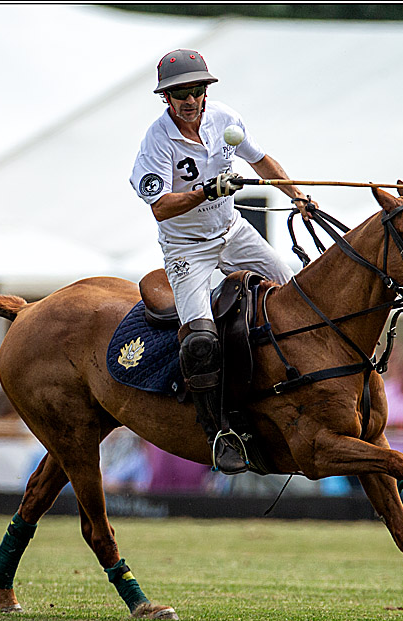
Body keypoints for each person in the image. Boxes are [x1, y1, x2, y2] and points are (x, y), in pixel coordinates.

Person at [129, 49, 314, 475]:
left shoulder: (225, 118)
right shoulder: (156, 142)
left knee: (293, 298)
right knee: (200, 341)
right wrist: (206, 192)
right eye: (180, 93)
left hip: (233, 231)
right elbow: (160, 207)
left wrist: (297, 196)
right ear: (166, 98)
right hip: (187, 249)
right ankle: (218, 432)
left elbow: (261, 160)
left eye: (196, 90)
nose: (190, 100)